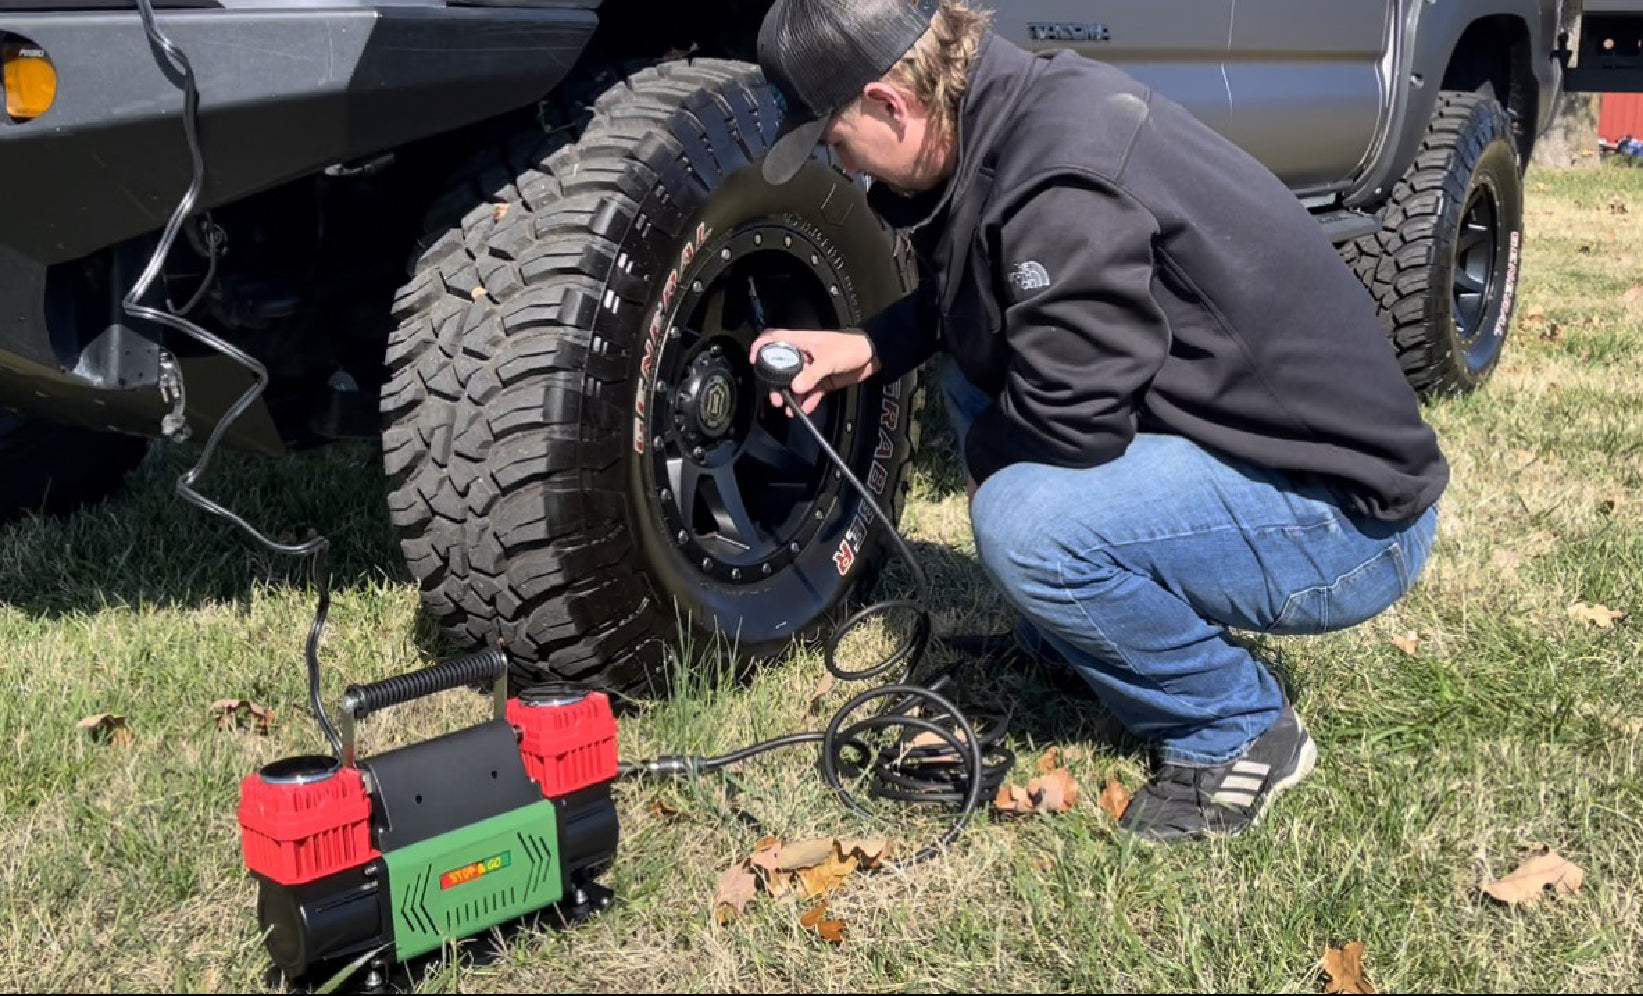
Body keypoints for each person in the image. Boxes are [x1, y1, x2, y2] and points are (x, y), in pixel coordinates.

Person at [749, 0, 1447, 843]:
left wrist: (991, 469)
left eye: (834, 140)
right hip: (1264, 450)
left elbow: (1070, 418)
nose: (843, 165)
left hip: (1347, 523)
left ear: (890, 103)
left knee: (1025, 523)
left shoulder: (1057, 176)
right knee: (989, 393)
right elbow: (972, 294)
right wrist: (866, 347)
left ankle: (1234, 729)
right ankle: (1078, 636)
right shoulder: (1008, 114)